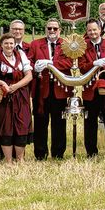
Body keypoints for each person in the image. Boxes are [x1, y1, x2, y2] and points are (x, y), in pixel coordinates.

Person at [0, 33, 33, 163]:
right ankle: (8, 161)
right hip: (4, 98)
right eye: (6, 43)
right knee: (6, 127)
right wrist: (2, 83)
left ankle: (20, 159)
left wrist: (16, 86)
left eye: (11, 43)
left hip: (21, 96)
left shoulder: (21, 55)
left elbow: (29, 76)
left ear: (14, 44)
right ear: (1, 45)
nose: (9, 46)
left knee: (22, 125)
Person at [28, 18, 72, 160]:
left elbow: (69, 62)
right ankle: (40, 154)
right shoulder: (35, 44)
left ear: (60, 30)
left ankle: (58, 153)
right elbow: (29, 61)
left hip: (60, 88)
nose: (52, 31)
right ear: (45, 29)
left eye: (55, 28)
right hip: (41, 89)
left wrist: (51, 64)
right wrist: (34, 66)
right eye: (49, 28)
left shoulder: (66, 44)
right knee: (40, 122)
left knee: (59, 122)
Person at [77, 19, 105, 157]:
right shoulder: (83, 46)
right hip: (90, 90)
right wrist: (94, 63)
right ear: (86, 32)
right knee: (90, 122)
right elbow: (81, 68)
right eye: (89, 30)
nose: (92, 32)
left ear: (100, 30)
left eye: (95, 29)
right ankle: (91, 152)